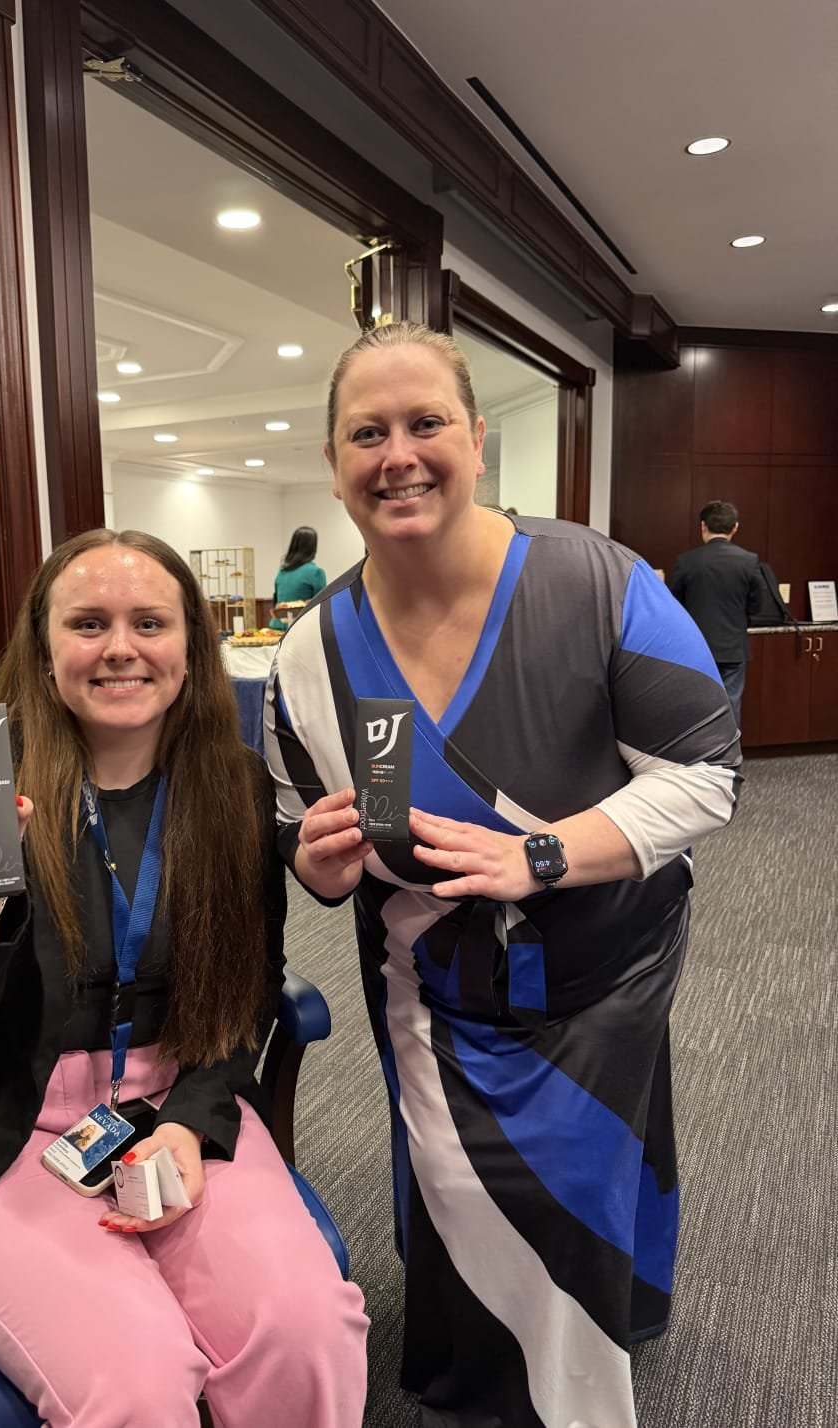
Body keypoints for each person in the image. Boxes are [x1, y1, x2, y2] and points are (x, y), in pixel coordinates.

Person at [265, 323, 742, 1428]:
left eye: (425, 422)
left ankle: (605, 1326)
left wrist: (540, 856)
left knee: (592, 1159)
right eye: (367, 433)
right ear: (333, 464)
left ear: (476, 440)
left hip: (607, 960)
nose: (399, 455)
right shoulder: (310, 654)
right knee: (455, 1181)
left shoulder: (598, 581)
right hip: (431, 979)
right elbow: (307, 833)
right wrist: (318, 866)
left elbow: (705, 776)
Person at [0, 528, 368, 1428]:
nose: (121, 647)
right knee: (135, 1380)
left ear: (191, 648)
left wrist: (192, 1119)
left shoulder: (233, 785)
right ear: (44, 648)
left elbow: (247, 987)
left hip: (173, 1099)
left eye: (149, 623)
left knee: (309, 1333)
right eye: (88, 623)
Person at [668, 500, 766, 726]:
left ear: (703, 526)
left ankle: (697, 748)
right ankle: (728, 749)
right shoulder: (748, 560)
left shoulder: (687, 561)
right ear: (735, 527)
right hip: (733, 647)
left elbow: (673, 605)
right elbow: (758, 604)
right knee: (730, 703)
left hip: (696, 647)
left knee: (696, 704)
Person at [268, 526, 326, 629]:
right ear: (313, 547)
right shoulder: (316, 572)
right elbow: (322, 606)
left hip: (276, 627)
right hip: (299, 628)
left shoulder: (281, 572)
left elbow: (277, 601)